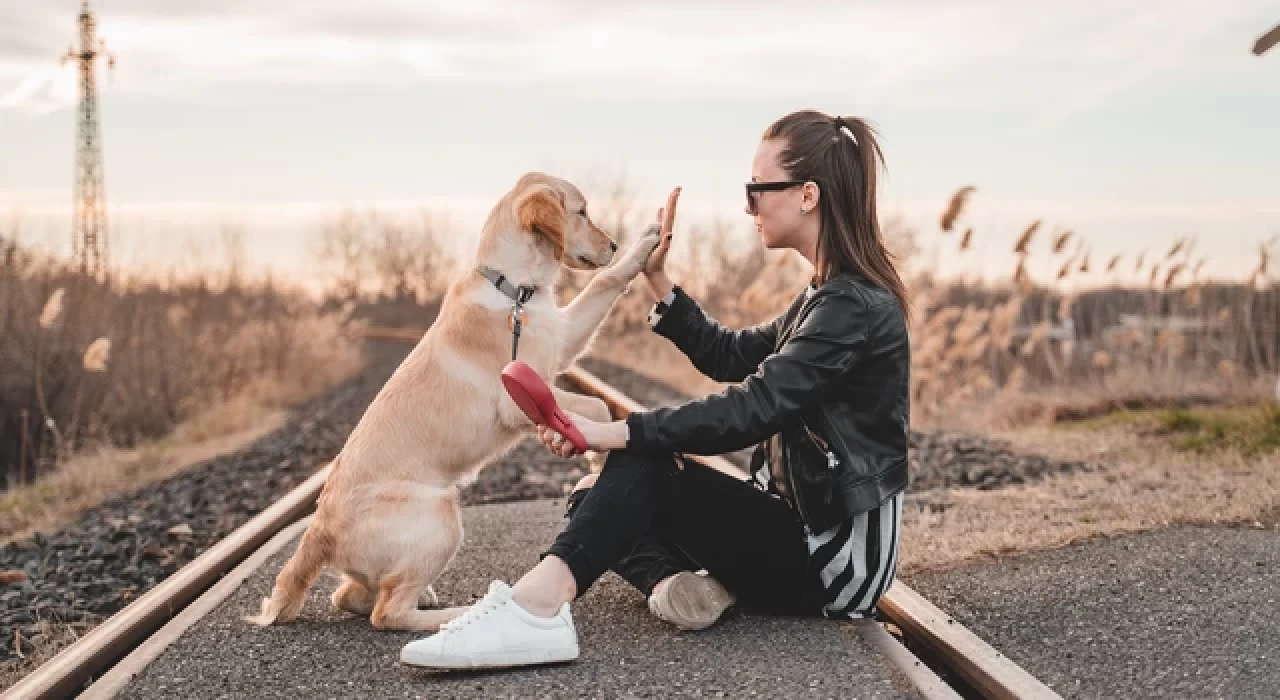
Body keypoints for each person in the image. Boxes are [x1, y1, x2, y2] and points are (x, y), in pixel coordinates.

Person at [400, 109, 912, 670]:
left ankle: (535, 608)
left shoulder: (851, 308)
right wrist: (658, 280)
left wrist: (616, 432)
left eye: (757, 189)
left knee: (638, 466)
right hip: (792, 528)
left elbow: (754, 407)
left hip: (831, 561)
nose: (749, 207)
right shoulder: (823, 297)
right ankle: (677, 585)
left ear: (807, 195)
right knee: (595, 495)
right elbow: (730, 355)